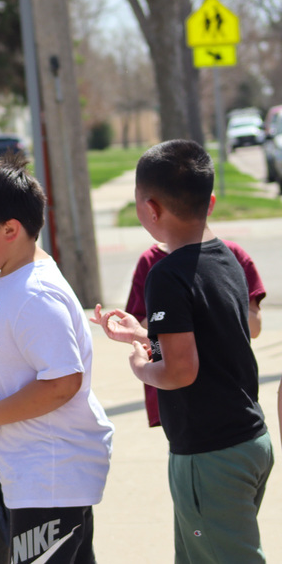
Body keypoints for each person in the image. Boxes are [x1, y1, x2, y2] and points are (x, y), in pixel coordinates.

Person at [93, 139, 272, 564]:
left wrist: (140, 364)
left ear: (150, 209)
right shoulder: (226, 257)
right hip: (246, 442)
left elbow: (179, 372)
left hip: (210, 457)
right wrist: (143, 336)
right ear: (208, 202)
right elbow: (208, 339)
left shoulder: (165, 274)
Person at [0, 154, 113, 564]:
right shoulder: (7, 280)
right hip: (31, 473)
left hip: (52, 474)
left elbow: (63, 382)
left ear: (10, 230)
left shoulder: (36, 294)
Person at [125, 238, 265, 427]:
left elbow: (254, 326)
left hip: (228, 399)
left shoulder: (229, 254)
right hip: (177, 406)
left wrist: (140, 366)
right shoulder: (151, 262)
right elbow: (145, 327)